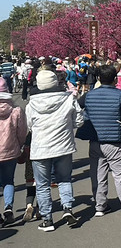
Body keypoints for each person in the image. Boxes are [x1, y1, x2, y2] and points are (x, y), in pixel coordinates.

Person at [76, 64, 121, 218]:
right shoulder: (120, 95)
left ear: (98, 78)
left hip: (95, 141)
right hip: (115, 141)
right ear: (114, 79)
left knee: (98, 175)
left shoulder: (89, 95)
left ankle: (100, 206)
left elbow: (77, 106)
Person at [27, 70, 84, 232]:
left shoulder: (32, 103)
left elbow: (29, 125)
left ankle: (47, 219)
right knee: (64, 179)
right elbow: (79, 120)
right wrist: (67, 126)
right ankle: (67, 208)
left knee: (42, 185)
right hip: (63, 146)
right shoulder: (68, 99)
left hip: (40, 149)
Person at [0, 78, 26, 226]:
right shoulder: (16, 111)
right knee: (8, 180)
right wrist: (20, 145)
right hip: (10, 150)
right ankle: (8, 207)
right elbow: (21, 132)